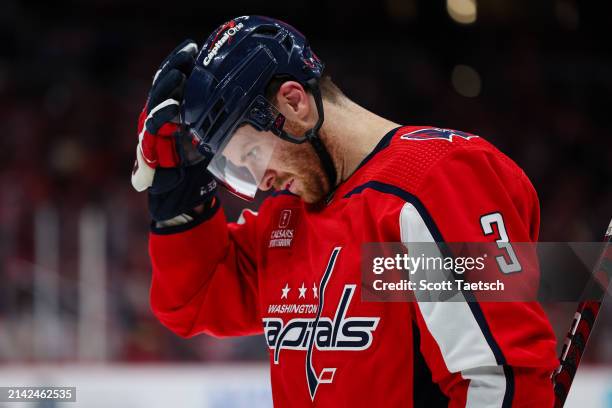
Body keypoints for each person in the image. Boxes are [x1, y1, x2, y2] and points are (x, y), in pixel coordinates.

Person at [131, 15, 558, 407]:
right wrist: (178, 193)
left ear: (294, 103)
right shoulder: (288, 215)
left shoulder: (436, 181)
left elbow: (497, 380)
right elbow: (195, 300)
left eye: (253, 154)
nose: (260, 182)